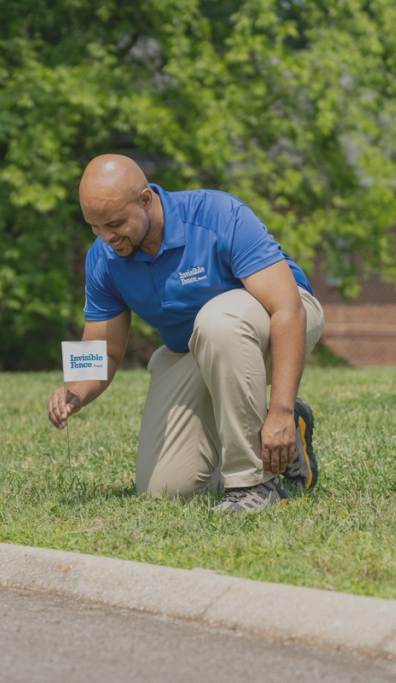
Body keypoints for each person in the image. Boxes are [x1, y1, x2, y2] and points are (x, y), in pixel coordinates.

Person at [47, 155, 324, 512]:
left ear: (146, 200)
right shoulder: (103, 257)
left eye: (115, 223)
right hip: (195, 348)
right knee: (164, 488)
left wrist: (281, 411)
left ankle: (255, 484)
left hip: (282, 320)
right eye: (95, 227)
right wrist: (75, 391)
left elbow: (287, 310)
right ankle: (280, 450)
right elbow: (106, 348)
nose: (106, 237)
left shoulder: (218, 214)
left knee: (217, 320)